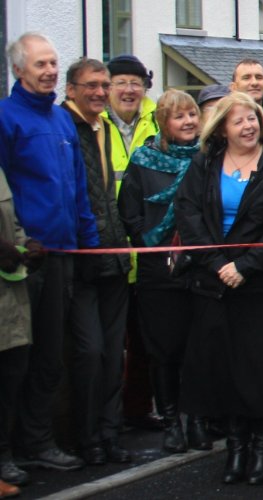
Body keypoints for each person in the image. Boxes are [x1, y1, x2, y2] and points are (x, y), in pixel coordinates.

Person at [174, 91, 263, 486]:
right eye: (239, 120)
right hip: (215, 285)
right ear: (222, 128)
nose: (248, 126)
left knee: (260, 371)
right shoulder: (206, 161)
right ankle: (235, 448)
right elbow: (189, 212)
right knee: (224, 371)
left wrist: (246, 265)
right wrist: (216, 265)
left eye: (254, 118)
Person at [0, 32, 97, 475]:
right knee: (14, 360)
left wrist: (88, 243)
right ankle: (7, 450)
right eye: (40, 65)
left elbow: (78, 188)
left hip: (62, 257)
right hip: (19, 262)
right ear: (19, 70)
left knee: (48, 358)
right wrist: (15, 245)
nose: (50, 72)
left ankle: (38, 442)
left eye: (54, 63)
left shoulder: (61, 121)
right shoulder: (5, 118)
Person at [118, 89, 207, 454]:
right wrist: (155, 245)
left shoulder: (208, 156)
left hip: (200, 268)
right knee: (164, 350)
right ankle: (171, 422)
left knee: (198, 350)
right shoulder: (143, 159)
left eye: (192, 115)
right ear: (163, 123)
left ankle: (197, 419)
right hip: (159, 272)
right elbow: (130, 212)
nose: (188, 122)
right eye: (179, 116)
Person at [63, 57, 134, 465]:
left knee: (113, 352)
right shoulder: (63, 127)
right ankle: (86, 435)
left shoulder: (106, 128)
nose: (100, 93)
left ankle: (110, 433)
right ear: (71, 90)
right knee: (89, 352)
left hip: (115, 255)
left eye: (103, 86)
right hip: (80, 260)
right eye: (91, 86)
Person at [0, 162, 37, 497]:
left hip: (10, 293)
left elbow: (10, 221)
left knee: (12, 373)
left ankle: (5, 455)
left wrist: (26, 244)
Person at [103, 55, 159, 189]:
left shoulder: (159, 121)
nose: (129, 90)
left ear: (145, 89)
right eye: (121, 83)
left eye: (135, 83)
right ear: (107, 88)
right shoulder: (95, 124)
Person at [230, 58, 263, 134]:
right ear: (233, 87)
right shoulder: (224, 126)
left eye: (259, 77)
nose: (254, 82)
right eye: (246, 78)